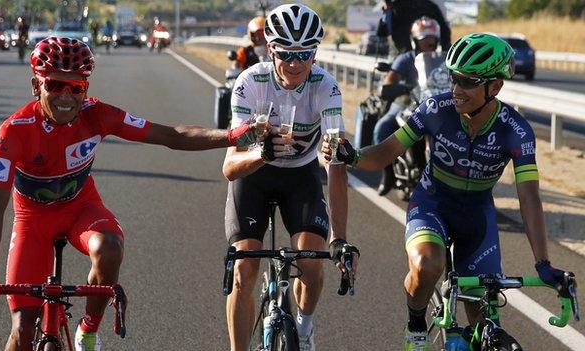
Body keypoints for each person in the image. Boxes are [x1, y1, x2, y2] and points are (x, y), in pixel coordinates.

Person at [0, 36, 261, 351]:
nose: (66, 96)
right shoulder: (14, 130)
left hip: (81, 210)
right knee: (23, 329)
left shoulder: (99, 115)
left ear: (86, 89)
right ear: (36, 86)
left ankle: (88, 330)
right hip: (32, 220)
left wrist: (231, 136)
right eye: (55, 85)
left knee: (110, 247)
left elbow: (171, 135)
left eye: (76, 87)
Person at [321, 33, 569, 351]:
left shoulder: (515, 130)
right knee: (427, 265)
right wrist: (352, 155)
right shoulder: (437, 108)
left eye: (467, 81)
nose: (456, 89)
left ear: (495, 86)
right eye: (453, 78)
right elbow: (387, 151)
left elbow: (529, 198)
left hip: (477, 214)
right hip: (432, 203)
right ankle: (415, 326)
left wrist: (543, 263)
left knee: (483, 322)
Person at [223, 4, 359, 351]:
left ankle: (305, 326)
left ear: (315, 52)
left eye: (305, 54)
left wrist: (339, 237)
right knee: (245, 270)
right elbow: (229, 167)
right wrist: (261, 151)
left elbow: (335, 162)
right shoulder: (249, 82)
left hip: (301, 176)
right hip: (253, 175)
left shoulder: (325, 86)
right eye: (286, 54)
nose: (296, 64)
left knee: (312, 265)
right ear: (270, 49)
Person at [372, 16, 441, 195]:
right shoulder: (405, 59)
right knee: (383, 127)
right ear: (415, 40)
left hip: (434, 104)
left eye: (432, 39)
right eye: (424, 38)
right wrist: (402, 87)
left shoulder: (443, 60)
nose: (429, 42)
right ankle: (387, 175)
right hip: (405, 102)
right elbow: (387, 84)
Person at [377, 0, 450, 55]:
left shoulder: (430, 6)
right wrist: (386, 14)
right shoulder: (395, 6)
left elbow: (444, 32)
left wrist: (445, 55)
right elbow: (382, 33)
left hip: (427, 59)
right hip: (400, 60)